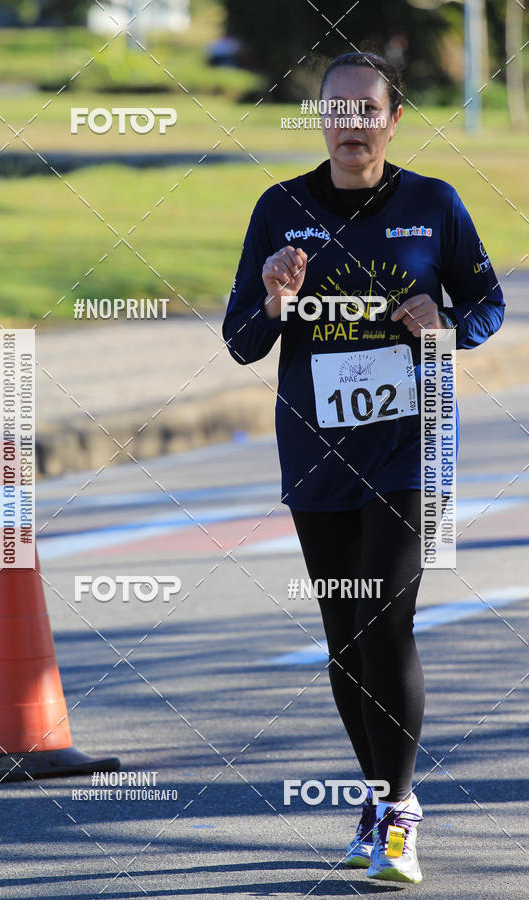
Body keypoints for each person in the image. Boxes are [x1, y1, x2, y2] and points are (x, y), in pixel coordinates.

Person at [222, 51, 505, 884]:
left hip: (414, 446)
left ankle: (400, 811)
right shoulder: (280, 209)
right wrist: (274, 299)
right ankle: (377, 803)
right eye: (337, 109)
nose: (352, 123)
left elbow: (487, 303)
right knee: (345, 640)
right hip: (318, 453)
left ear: (393, 119)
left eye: (367, 109)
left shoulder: (434, 205)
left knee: (386, 620)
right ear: (321, 119)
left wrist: (444, 321)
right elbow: (241, 341)